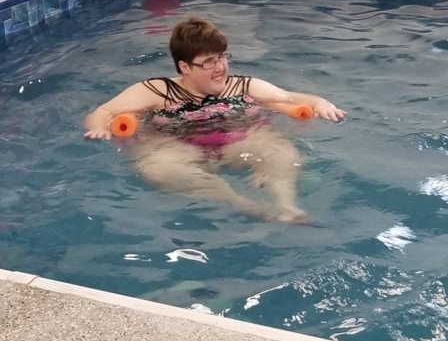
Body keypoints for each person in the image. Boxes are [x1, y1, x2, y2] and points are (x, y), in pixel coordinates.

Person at [84, 16, 346, 222]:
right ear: (184, 67)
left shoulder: (242, 86)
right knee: (158, 168)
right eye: (209, 62)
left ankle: (286, 206)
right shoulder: (158, 91)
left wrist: (322, 104)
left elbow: (292, 98)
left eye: (221, 57)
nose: (220, 67)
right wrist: (99, 128)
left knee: (280, 152)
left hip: (239, 143)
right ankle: (244, 205)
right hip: (178, 147)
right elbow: (103, 112)